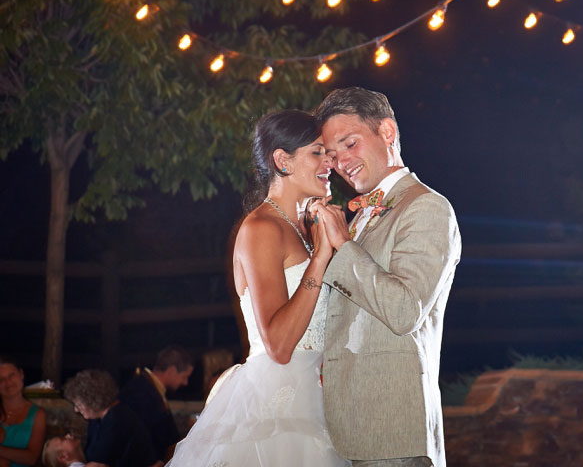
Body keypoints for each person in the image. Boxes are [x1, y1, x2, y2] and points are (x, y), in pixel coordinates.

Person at [166, 109, 346, 466]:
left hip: (320, 395)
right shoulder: (261, 228)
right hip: (278, 405)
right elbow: (278, 345)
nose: (330, 160)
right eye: (317, 152)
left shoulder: (305, 229)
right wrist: (322, 257)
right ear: (283, 160)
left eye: (329, 152)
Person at [312, 87, 461, 467]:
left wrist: (344, 247)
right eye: (333, 154)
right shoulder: (360, 215)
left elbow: (403, 309)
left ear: (388, 133)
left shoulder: (428, 206)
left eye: (350, 144)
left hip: (392, 433)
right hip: (347, 428)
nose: (342, 161)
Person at [62, 369, 158, 467]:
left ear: (92, 400)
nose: (76, 410)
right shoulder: (98, 420)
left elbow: (98, 465)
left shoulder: (117, 418)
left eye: (78, 405)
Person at [119, 345, 193, 462]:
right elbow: (138, 434)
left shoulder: (151, 388)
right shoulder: (140, 391)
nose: (185, 383)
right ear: (172, 371)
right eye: (184, 377)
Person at [0, 356, 47, 467]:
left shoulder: (38, 414)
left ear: (21, 374)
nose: (8, 382)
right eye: (1, 379)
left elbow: (31, 458)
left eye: (12, 375)